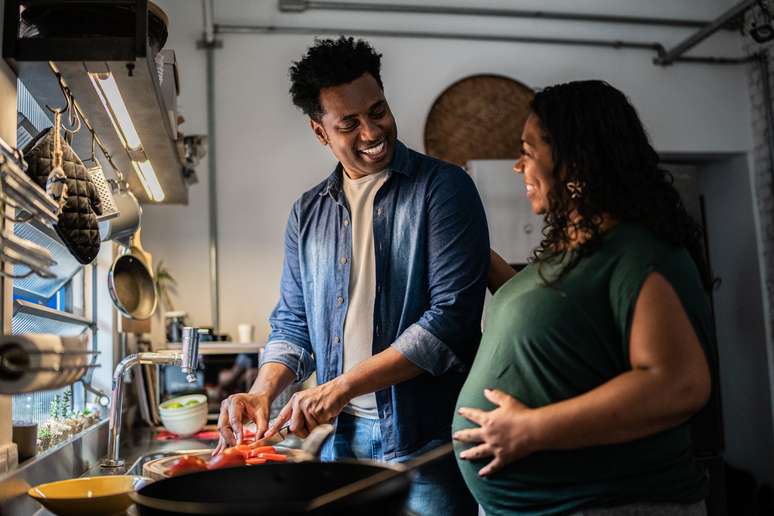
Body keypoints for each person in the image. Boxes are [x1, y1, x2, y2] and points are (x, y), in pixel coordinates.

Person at [216, 36, 488, 515]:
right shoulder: (307, 213)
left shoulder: (443, 190)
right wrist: (261, 392)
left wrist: (341, 386)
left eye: (378, 111)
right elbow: (293, 324)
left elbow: (451, 320)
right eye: (349, 124)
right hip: (342, 444)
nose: (371, 131)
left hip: (427, 440)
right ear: (321, 133)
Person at [452, 80, 715, 516]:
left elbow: (677, 383)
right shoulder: (573, 254)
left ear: (574, 164)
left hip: (611, 503)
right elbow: (550, 317)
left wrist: (531, 429)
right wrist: (468, 250)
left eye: (529, 150)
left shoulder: (637, 252)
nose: (519, 167)